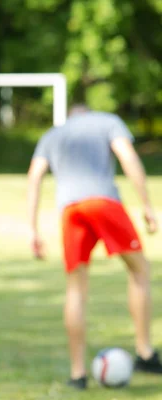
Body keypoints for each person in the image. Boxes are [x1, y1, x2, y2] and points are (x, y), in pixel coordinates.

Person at [27, 104, 161, 390]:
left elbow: (34, 177)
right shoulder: (108, 121)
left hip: (70, 210)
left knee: (76, 289)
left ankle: (78, 374)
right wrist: (147, 206)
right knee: (139, 270)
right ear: (88, 113)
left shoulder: (53, 133)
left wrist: (33, 229)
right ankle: (145, 352)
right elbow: (128, 157)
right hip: (104, 203)